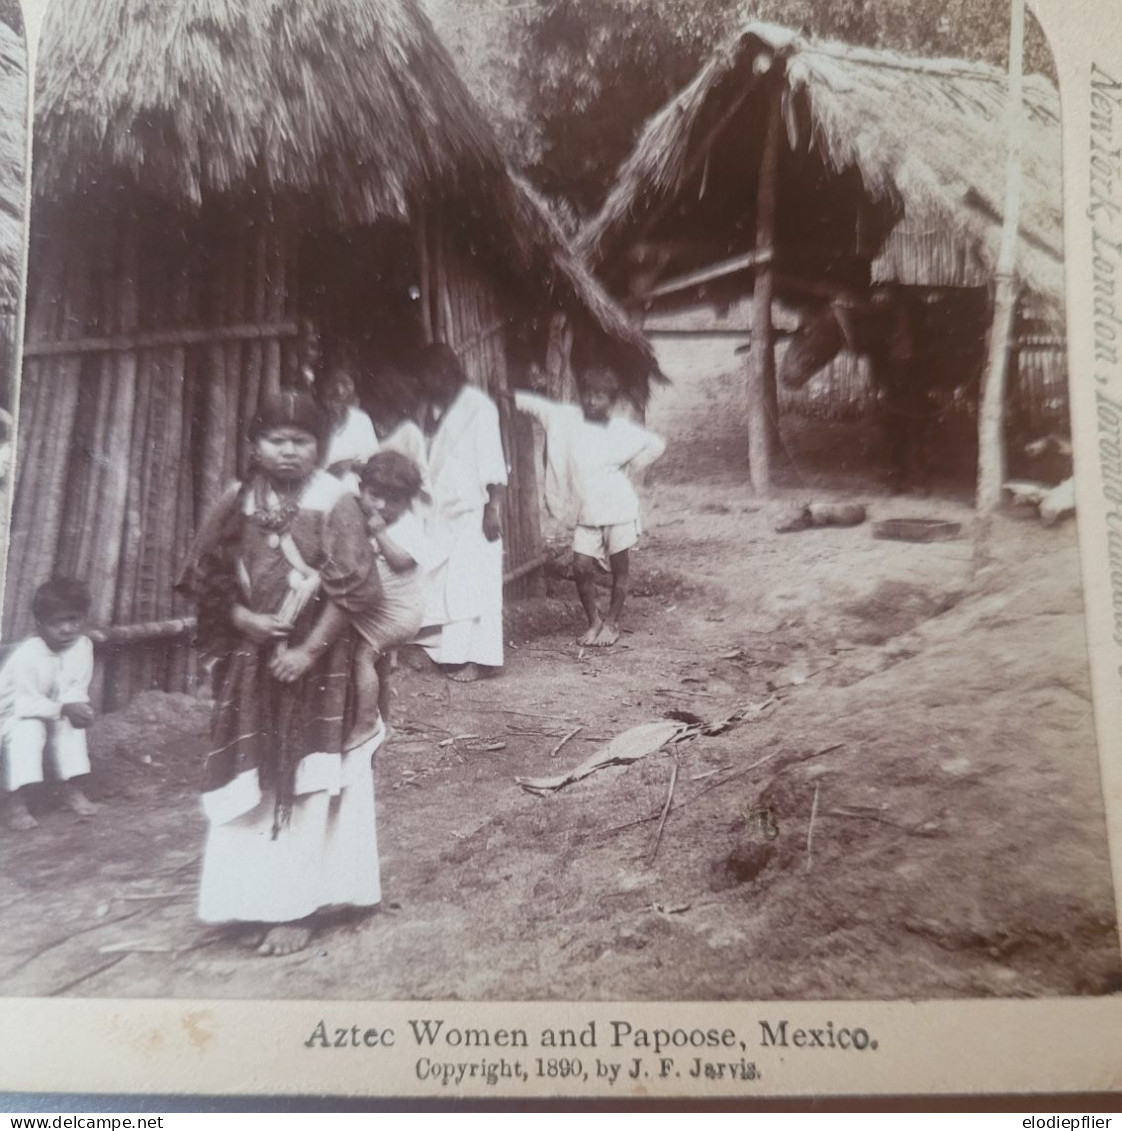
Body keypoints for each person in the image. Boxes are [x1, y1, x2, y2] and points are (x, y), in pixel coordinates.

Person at [177, 391, 386, 957]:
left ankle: (303, 906)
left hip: (320, 666)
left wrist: (309, 652)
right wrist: (243, 619)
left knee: (310, 776)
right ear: (255, 445)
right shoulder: (236, 499)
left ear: (320, 448)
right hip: (254, 663)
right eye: (277, 440)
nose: (289, 451)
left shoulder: (335, 500)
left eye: (302, 441)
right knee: (255, 774)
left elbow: (354, 588)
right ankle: (246, 901)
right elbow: (205, 577)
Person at [515, 363, 665, 647]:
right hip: (587, 513)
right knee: (581, 567)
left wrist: (630, 465)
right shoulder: (566, 419)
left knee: (620, 568)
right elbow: (536, 406)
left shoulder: (621, 430)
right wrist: (508, 396)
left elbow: (656, 445)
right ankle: (594, 621)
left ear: (612, 400)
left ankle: (613, 622)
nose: (592, 400)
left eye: (600, 395)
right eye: (588, 393)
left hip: (618, 510)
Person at [415, 343, 507, 682]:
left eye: (430, 376)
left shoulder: (479, 407)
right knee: (452, 586)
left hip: (475, 511)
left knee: (476, 586)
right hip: (446, 513)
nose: (426, 383)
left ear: (445, 374)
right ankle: (453, 655)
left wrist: (493, 509)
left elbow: (493, 463)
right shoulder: (439, 411)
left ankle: (484, 660)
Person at [0, 577, 99, 831]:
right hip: (11, 715)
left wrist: (78, 708)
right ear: (40, 623)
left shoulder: (82, 646)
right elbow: (21, 704)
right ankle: (15, 798)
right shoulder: (29, 655)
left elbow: (75, 690)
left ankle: (70, 786)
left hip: (48, 710)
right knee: (28, 729)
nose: (67, 629)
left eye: (74, 620)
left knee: (72, 721)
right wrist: (63, 708)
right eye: (58, 622)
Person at [355, 451, 435, 726]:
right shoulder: (363, 514)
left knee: (363, 656)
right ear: (360, 489)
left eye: (394, 501)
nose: (382, 506)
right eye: (374, 495)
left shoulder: (408, 525)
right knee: (380, 662)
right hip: (387, 607)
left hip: (401, 612)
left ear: (408, 502)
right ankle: (381, 718)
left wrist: (379, 534)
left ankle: (365, 722)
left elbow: (402, 561)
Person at [320, 354, 379, 492]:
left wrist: (350, 465)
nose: (339, 391)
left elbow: (375, 467)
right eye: (332, 383)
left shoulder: (360, 420)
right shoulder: (312, 418)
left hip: (353, 499)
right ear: (320, 385)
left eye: (345, 384)